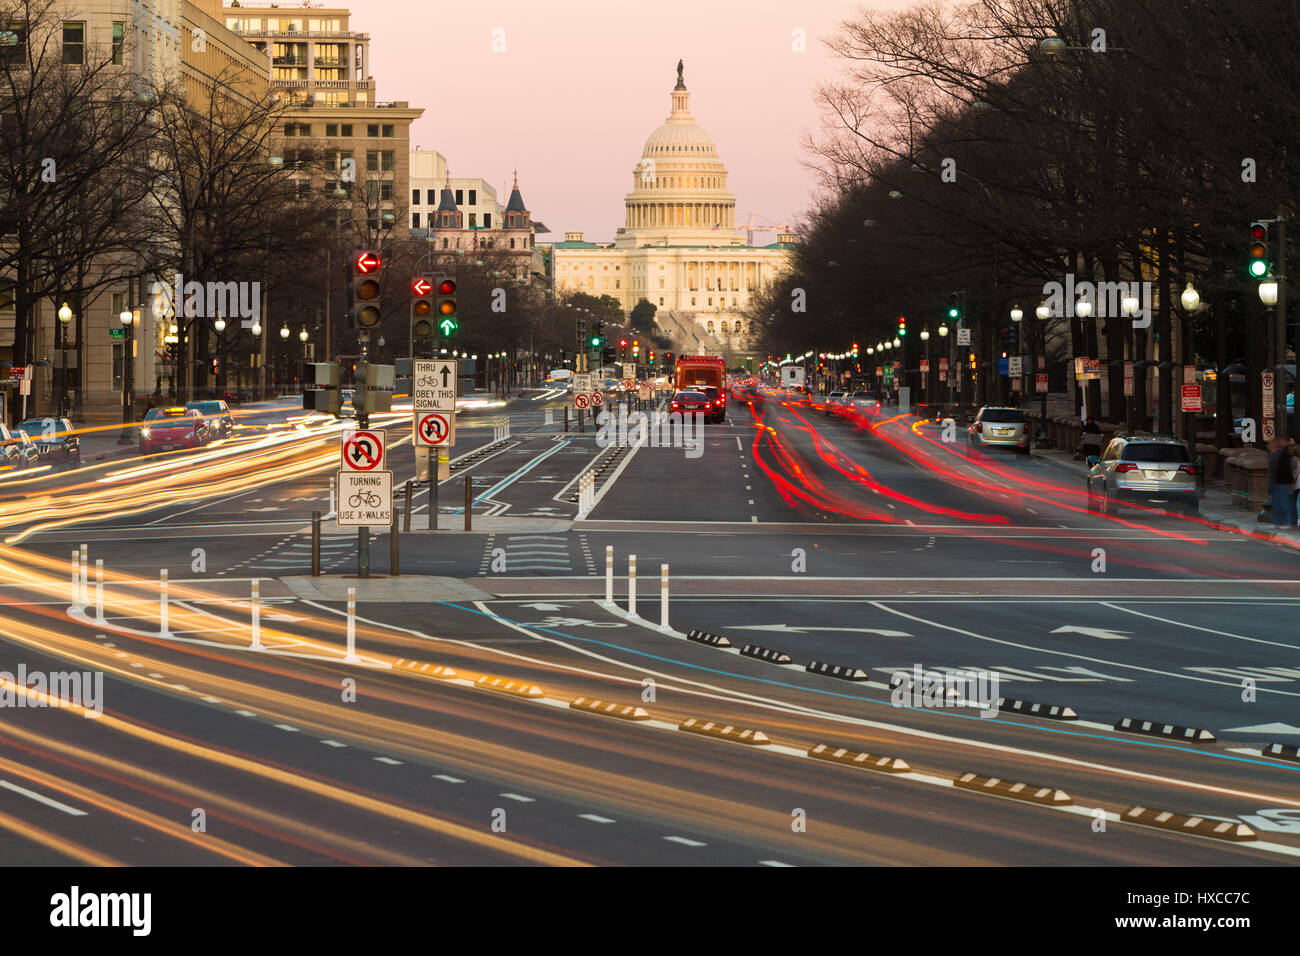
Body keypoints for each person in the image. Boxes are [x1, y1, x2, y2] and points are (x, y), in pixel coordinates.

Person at [1267, 438, 1296, 529]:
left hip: (1283, 482)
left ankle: (1288, 522)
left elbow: (1289, 468)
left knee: (1285, 503)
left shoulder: (1282, 453)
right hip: (1277, 482)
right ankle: (1280, 522)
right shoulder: (1275, 454)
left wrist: (1291, 482)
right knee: (1278, 503)